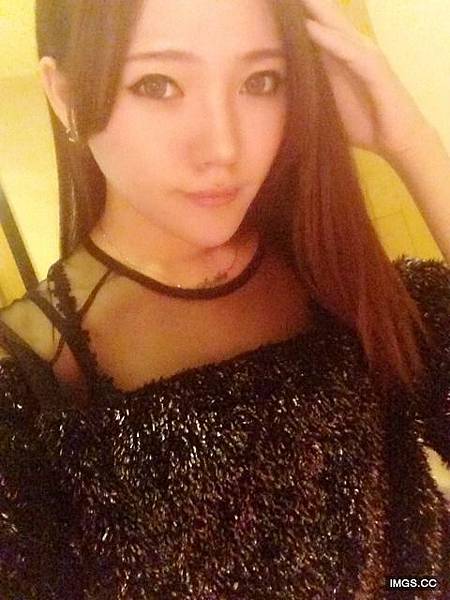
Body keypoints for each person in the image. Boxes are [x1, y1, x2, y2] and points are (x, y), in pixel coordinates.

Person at [0, 0, 449, 597]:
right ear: (65, 97)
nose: (224, 147)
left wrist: (413, 144)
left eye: (260, 81)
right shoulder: (30, 385)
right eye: (157, 84)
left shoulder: (339, 275)